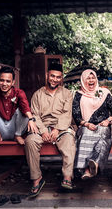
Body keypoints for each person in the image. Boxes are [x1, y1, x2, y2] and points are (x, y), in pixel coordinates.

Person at [24, 63, 76, 197]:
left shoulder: (67, 93)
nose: (55, 79)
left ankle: (67, 177)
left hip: (61, 128)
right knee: (30, 141)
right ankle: (37, 179)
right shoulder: (37, 94)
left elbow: (66, 114)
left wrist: (57, 129)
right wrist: (43, 131)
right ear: (47, 76)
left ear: (61, 78)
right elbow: (35, 114)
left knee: (69, 140)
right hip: (42, 128)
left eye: (58, 77)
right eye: (52, 76)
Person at [72, 69, 112, 179]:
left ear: (96, 79)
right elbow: (76, 114)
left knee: (103, 134)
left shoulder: (103, 93)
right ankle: (85, 167)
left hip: (102, 125)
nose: (91, 80)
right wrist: (86, 124)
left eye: (93, 78)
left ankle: (91, 168)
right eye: (88, 78)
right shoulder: (78, 95)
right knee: (85, 133)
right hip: (85, 126)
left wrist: (108, 120)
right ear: (83, 80)